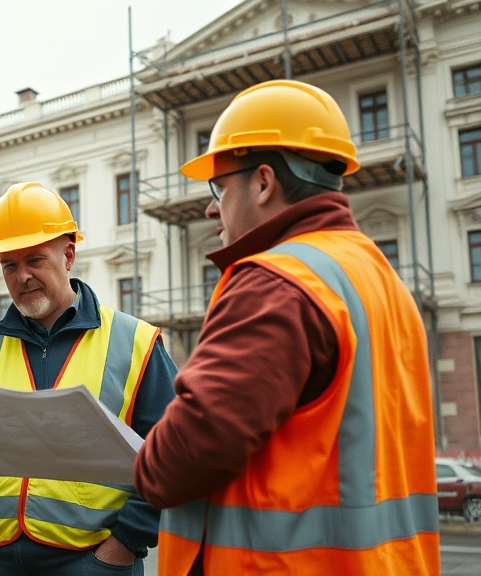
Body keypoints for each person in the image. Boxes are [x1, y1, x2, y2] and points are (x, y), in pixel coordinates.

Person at [132, 79, 440, 575]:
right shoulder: (378, 277)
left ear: (263, 183)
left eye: (219, 186)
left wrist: (146, 457)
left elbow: (177, 461)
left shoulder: (274, 283)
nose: (211, 207)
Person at [0, 182, 178, 575]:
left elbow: (171, 455)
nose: (22, 276)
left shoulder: (135, 342)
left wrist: (123, 547)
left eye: (35, 259)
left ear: (68, 254)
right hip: (1, 560)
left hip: (94, 562)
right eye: (9, 265)